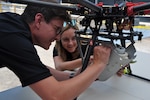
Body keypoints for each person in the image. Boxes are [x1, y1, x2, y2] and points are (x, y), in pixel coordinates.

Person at [0, 1, 111, 100]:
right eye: (57, 29)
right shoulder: (14, 37)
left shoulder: (12, 25)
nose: (58, 37)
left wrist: (73, 76)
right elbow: (56, 96)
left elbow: (35, 68)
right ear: (38, 20)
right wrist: (99, 64)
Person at [53, 22, 125, 77]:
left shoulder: (89, 46)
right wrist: (88, 59)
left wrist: (115, 68)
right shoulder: (57, 48)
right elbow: (59, 66)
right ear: (59, 40)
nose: (70, 43)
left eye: (74, 38)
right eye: (65, 40)